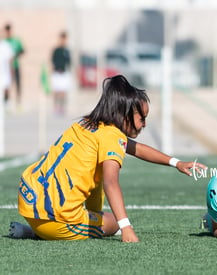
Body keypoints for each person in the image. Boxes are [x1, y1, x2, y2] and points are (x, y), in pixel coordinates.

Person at [10, 75, 206, 242]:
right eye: (142, 118)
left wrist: (176, 163)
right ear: (123, 115)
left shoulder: (86, 124)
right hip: (54, 219)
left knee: (96, 173)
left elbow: (136, 148)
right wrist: (125, 226)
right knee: (111, 223)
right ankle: (37, 233)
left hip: (29, 198)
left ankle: (40, 228)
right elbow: (111, 183)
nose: (144, 124)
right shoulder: (112, 137)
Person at [51, 31, 71, 115]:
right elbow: (52, 60)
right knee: (56, 91)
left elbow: (69, 62)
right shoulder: (56, 50)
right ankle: (56, 107)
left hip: (64, 73)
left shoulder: (66, 51)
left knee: (63, 92)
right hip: (56, 72)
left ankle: (62, 107)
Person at [4, 23, 24, 108]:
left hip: (15, 66)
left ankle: (18, 103)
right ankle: (6, 102)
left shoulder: (16, 41)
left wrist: (14, 56)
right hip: (6, 68)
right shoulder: (3, 42)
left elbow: (22, 50)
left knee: (18, 84)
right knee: (6, 85)